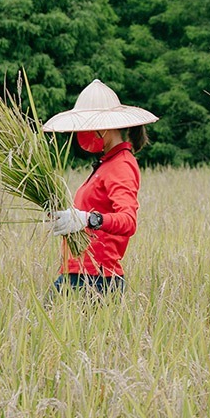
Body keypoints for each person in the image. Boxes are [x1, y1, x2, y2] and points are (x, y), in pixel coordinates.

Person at [40, 80, 156, 296]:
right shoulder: (107, 164)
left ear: (102, 128)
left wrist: (88, 219)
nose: (82, 133)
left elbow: (128, 221)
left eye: (87, 126)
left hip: (96, 279)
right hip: (79, 273)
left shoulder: (120, 165)